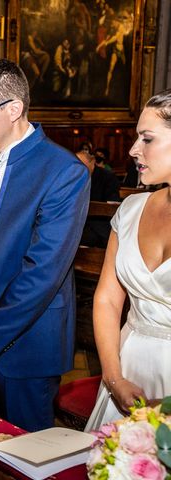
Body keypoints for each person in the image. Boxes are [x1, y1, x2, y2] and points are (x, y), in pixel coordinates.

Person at [0, 58, 90, 432]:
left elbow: (42, 273)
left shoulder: (63, 171)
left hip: (25, 346)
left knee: (24, 458)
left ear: (13, 109)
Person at [86, 90, 171, 431]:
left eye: (146, 139)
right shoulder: (131, 209)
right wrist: (114, 377)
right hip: (127, 365)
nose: (134, 149)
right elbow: (107, 299)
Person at [76, 146, 120, 247]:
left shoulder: (108, 177)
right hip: (78, 222)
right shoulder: (72, 177)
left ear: (92, 163)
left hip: (99, 223)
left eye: (82, 165)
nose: (78, 168)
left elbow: (112, 204)